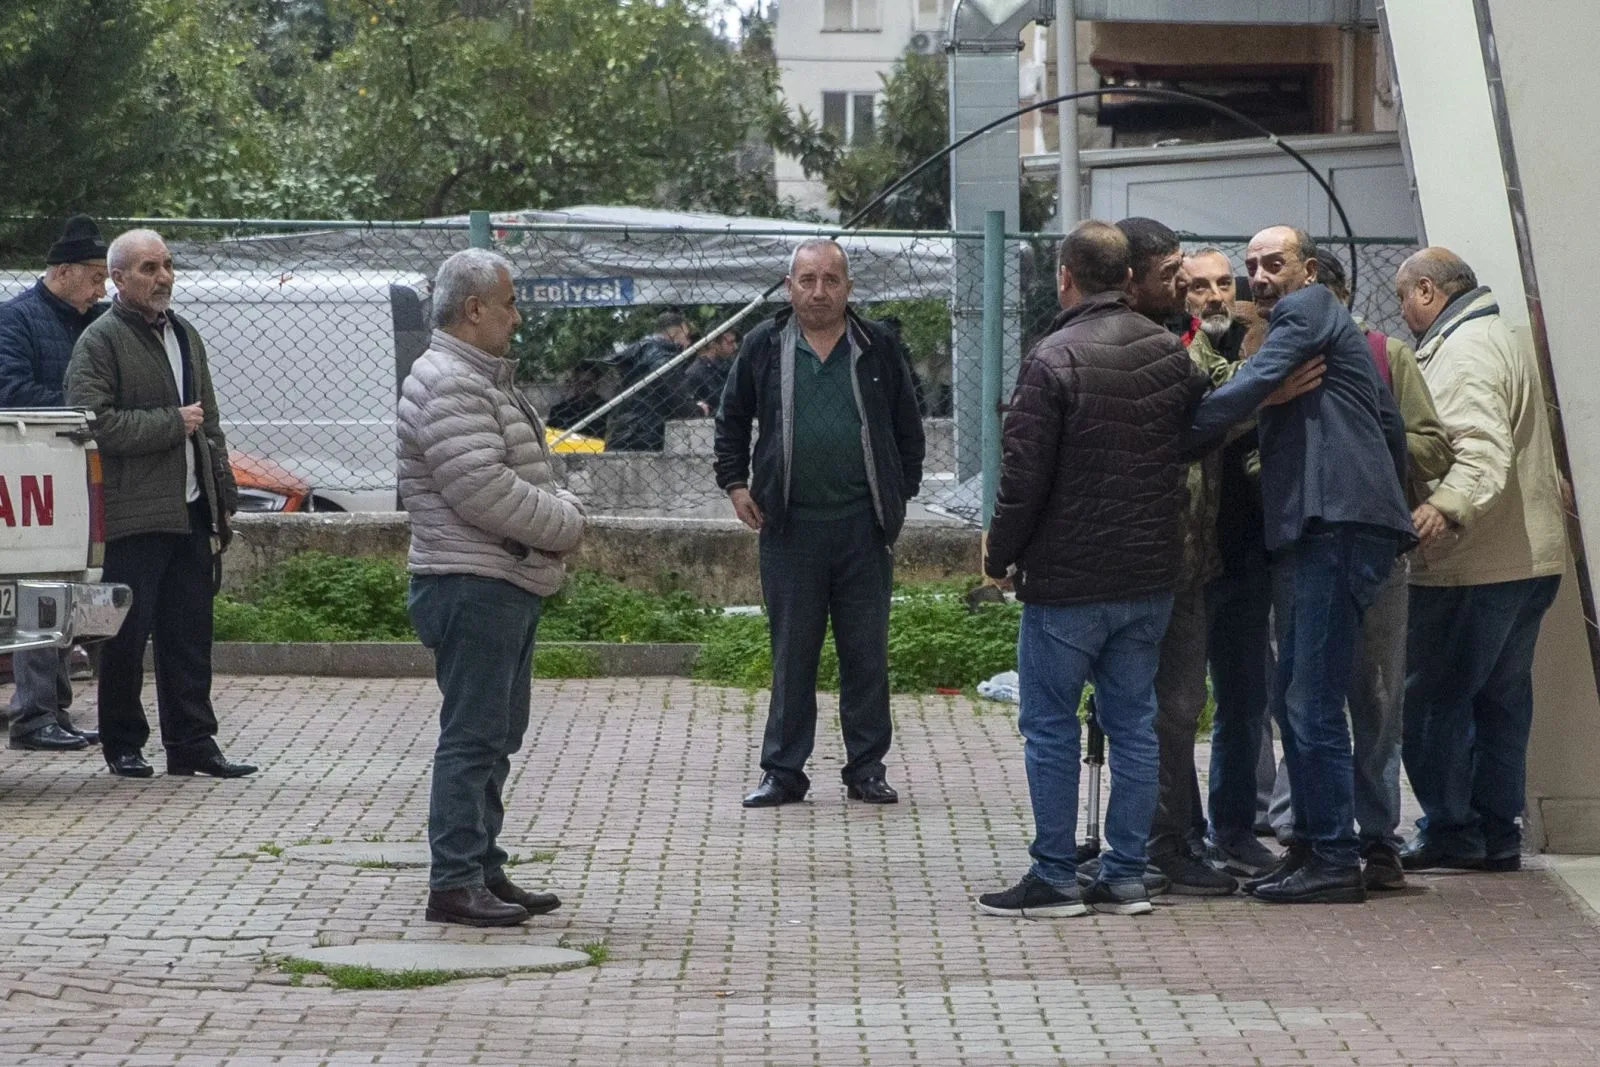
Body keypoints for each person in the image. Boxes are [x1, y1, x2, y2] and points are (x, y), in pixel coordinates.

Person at [976, 221, 1208, 919]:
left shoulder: (1051, 358)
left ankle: (1054, 876)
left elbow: (1024, 477)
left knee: (1050, 724)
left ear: (1065, 277)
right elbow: (1192, 436)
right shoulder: (1169, 354)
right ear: (1128, 277)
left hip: (1068, 580)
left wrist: (1000, 554)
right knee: (1134, 723)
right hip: (1149, 576)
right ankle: (1126, 874)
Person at [1185, 225, 1416, 904]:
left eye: (1273, 263)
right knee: (1298, 693)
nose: (1259, 276)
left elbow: (1257, 382)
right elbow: (1390, 425)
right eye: (1252, 265)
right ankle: (1312, 846)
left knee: (1311, 702)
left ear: (1310, 269)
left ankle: (1334, 857)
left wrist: (1186, 428)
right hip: (1332, 525)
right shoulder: (1330, 329)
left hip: (1330, 525)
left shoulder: (1307, 309)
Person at [398, 248, 587, 927]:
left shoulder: (475, 377)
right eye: (509, 303)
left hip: (497, 577)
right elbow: (482, 487)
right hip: (473, 582)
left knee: (495, 734)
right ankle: (454, 880)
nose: (517, 315)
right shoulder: (453, 382)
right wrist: (565, 523)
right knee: (473, 736)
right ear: (474, 309)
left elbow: (507, 474)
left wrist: (554, 517)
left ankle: (482, 866)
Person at [1259, 254, 1454, 889]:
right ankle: (1307, 835)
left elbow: (1428, 442)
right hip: (1304, 534)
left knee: (1372, 697)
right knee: (1301, 694)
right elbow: (1266, 447)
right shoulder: (1270, 354)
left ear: (1330, 295)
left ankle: (1372, 841)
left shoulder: (1385, 355)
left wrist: (1356, 443)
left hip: (1365, 540)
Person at [713, 238, 925, 809]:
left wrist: (897, 495)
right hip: (789, 528)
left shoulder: (877, 345)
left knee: (866, 654)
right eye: (807, 280)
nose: (819, 291)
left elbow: (908, 425)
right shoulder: (763, 345)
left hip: (862, 527)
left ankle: (866, 769)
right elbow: (731, 420)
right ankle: (784, 772)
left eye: (831, 279)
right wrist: (735, 484)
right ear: (789, 288)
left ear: (848, 287)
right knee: (792, 655)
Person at [1393, 248, 1566, 874]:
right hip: (1527, 558)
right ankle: (1495, 832)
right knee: (1501, 701)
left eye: (1403, 297)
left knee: (1432, 702)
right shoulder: (1501, 337)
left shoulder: (1463, 352)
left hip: (1473, 563)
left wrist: (1444, 509)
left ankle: (1453, 829)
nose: (1401, 312)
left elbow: (1479, 451)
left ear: (1428, 290)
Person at [64, 229, 253, 780]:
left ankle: (193, 744)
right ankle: (123, 744)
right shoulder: (100, 340)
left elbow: (208, 423)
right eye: (149, 268)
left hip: (191, 511)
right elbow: (90, 421)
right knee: (125, 639)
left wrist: (222, 496)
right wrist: (171, 423)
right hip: (134, 516)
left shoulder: (185, 333)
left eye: (168, 265)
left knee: (190, 636)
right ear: (117, 279)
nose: (163, 277)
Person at [1110, 221, 1239, 895]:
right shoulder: (1141, 348)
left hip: (1188, 558)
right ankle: (1151, 845)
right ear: (1131, 277)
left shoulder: (1188, 338)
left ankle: (1174, 835)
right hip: (1140, 560)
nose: (1187, 285)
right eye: (1173, 274)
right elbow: (1196, 422)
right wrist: (1264, 386)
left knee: (1181, 707)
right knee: (1155, 710)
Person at [1181, 248, 1283, 877]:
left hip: (1247, 553)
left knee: (1246, 701)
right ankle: (1183, 833)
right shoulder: (1174, 350)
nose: (1216, 295)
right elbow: (1198, 419)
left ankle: (1236, 829)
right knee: (1177, 705)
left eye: (1225, 283)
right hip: (1187, 557)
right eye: (1200, 286)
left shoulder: (1260, 345)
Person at [0, 215, 110, 752]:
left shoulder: (96, 321)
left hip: (73, 471)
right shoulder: (15, 319)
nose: (102, 289)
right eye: (95, 276)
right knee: (38, 590)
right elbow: (10, 389)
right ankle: (35, 715)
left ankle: (54, 711)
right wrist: (86, 410)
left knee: (63, 591)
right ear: (63, 271)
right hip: (36, 472)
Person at [605, 312, 695, 451]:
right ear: (675, 334)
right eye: (687, 336)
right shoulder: (663, 360)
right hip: (646, 437)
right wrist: (699, 409)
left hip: (622, 433)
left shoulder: (639, 352)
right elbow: (680, 405)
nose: (688, 343)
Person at [684, 329, 739, 417]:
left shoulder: (728, 365)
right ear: (714, 344)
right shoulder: (695, 372)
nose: (735, 347)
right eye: (730, 342)